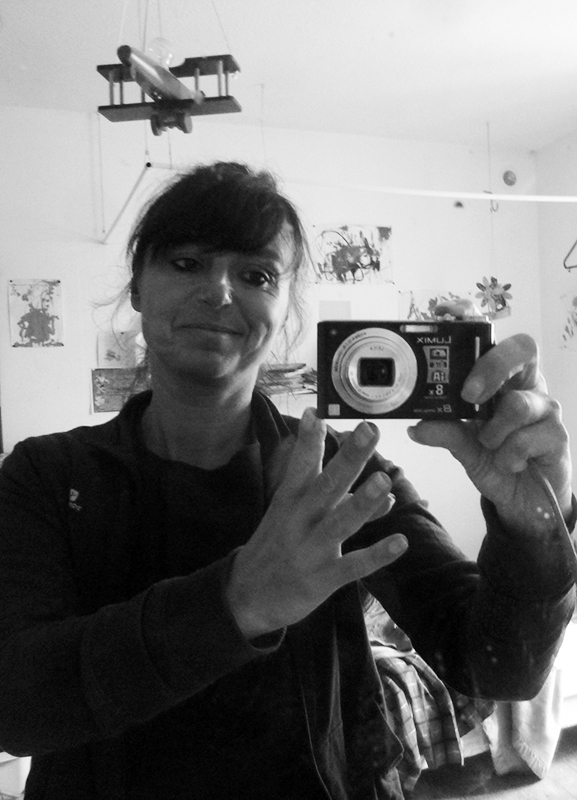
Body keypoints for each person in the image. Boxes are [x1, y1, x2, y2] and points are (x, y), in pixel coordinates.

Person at [0, 161, 574, 800]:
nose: (220, 292)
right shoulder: (47, 476)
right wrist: (238, 602)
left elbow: (497, 667)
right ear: (137, 286)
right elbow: (15, 703)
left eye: (256, 275)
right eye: (187, 263)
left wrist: (536, 520)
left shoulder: (342, 471)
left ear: (282, 310)